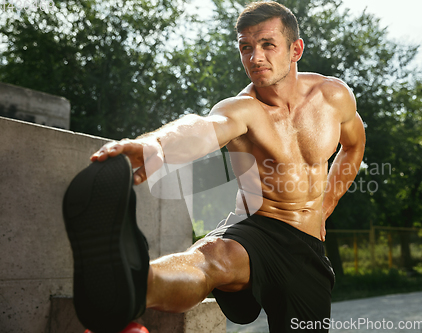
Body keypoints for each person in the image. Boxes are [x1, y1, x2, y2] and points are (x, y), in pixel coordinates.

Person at [62, 1, 365, 332]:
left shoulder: (333, 96)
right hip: (257, 226)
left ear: (295, 49)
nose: (255, 58)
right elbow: (202, 128)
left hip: (307, 248)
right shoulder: (242, 109)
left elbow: (353, 146)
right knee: (212, 257)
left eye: (267, 45)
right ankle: (133, 287)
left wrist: (326, 205)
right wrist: (155, 147)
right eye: (245, 47)